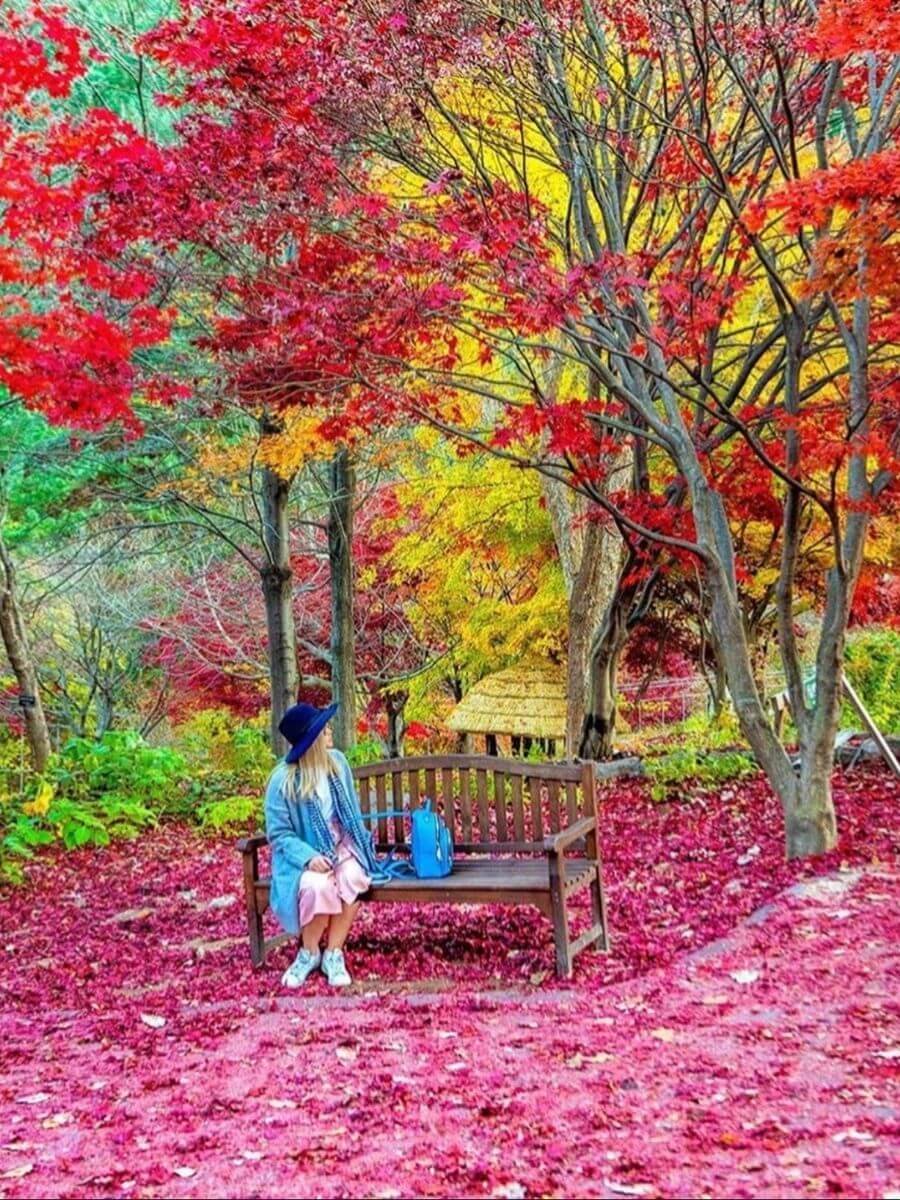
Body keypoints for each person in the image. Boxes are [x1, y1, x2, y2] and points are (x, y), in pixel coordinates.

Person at [264, 702, 383, 989]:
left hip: (341, 846)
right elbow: (279, 834)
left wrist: (357, 847)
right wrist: (308, 858)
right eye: (323, 729)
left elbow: (350, 814)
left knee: (353, 877)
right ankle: (309, 953)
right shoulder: (282, 781)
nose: (329, 731)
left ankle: (333, 954)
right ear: (312, 740)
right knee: (319, 887)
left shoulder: (337, 764)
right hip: (303, 856)